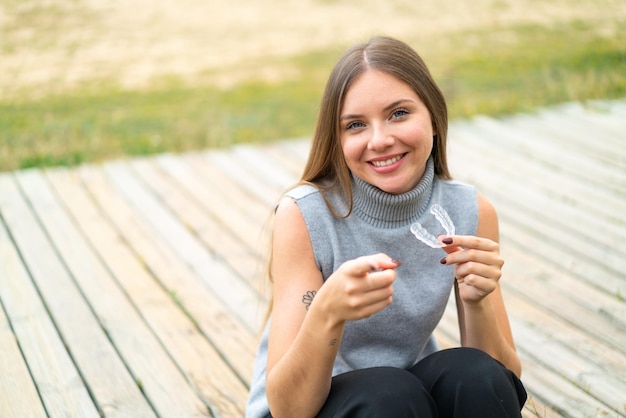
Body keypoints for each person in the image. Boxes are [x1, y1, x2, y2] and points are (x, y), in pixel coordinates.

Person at [246, 35, 527, 418]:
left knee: (474, 375)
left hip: (406, 398)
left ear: (433, 116)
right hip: (314, 405)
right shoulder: (304, 216)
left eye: (398, 113)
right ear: (338, 138)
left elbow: (503, 383)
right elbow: (288, 409)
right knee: (389, 394)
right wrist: (327, 311)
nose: (380, 140)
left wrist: (476, 301)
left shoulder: (469, 210)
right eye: (356, 124)